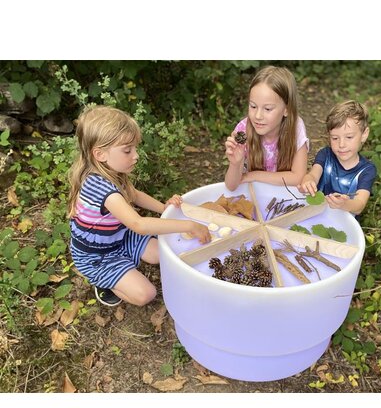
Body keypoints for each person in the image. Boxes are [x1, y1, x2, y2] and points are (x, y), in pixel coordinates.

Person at [67, 105, 210, 307]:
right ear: (100, 154)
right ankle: (102, 282)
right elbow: (138, 224)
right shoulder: (101, 188)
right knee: (145, 294)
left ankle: (125, 265)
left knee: (164, 253)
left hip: (120, 237)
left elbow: (134, 195)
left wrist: (164, 209)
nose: (136, 155)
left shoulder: (111, 172)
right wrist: (188, 225)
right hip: (98, 257)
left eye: (135, 148)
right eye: (127, 150)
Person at [224, 65, 309, 191]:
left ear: (287, 109)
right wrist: (235, 163)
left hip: (284, 196)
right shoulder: (243, 130)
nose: (258, 116)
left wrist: (254, 175)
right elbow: (231, 186)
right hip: (255, 194)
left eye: (267, 109)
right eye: (253, 106)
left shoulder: (295, 127)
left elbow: (298, 177)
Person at [298, 100, 377, 217]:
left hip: (344, 223)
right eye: (335, 138)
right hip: (316, 213)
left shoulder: (367, 170)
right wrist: (308, 182)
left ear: (364, 134)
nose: (341, 144)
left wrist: (345, 204)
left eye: (349, 137)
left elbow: (359, 204)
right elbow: (313, 175)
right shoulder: (325, 155)